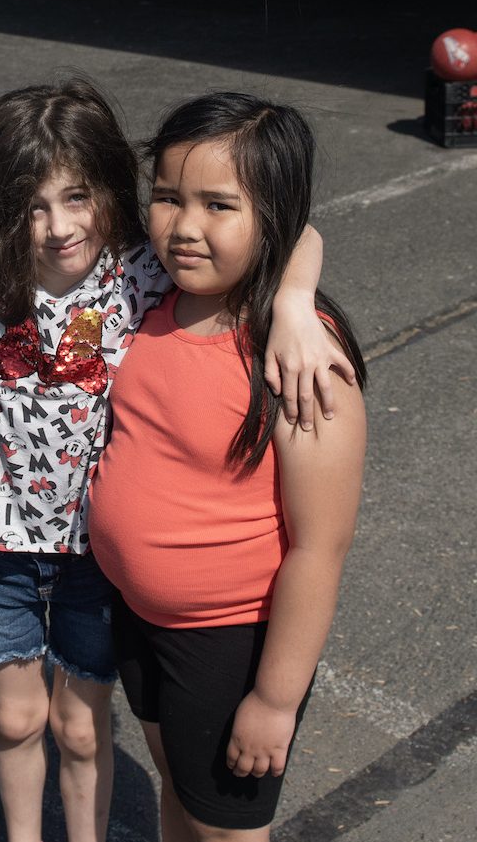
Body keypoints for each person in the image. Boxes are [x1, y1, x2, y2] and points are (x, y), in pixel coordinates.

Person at [0, 80, 355, 842]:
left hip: (165, 602)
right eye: (169, 198)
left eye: (78, 198)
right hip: (36, 558)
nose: (59, 226)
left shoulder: (144, 274)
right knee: (166, 780)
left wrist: (298, 297)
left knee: (145, 765)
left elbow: (285, 222)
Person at [89, 92, 367, 842]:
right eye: (169, 197)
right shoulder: (157, 292)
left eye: (218, 205)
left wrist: (275, 700)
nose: (184, 227)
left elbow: (320, 547)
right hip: (141, 617)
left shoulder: (301, 359)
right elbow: (300, 229)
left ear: (269, 218)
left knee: (227, 828)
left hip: (230, 641)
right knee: (175, 787)